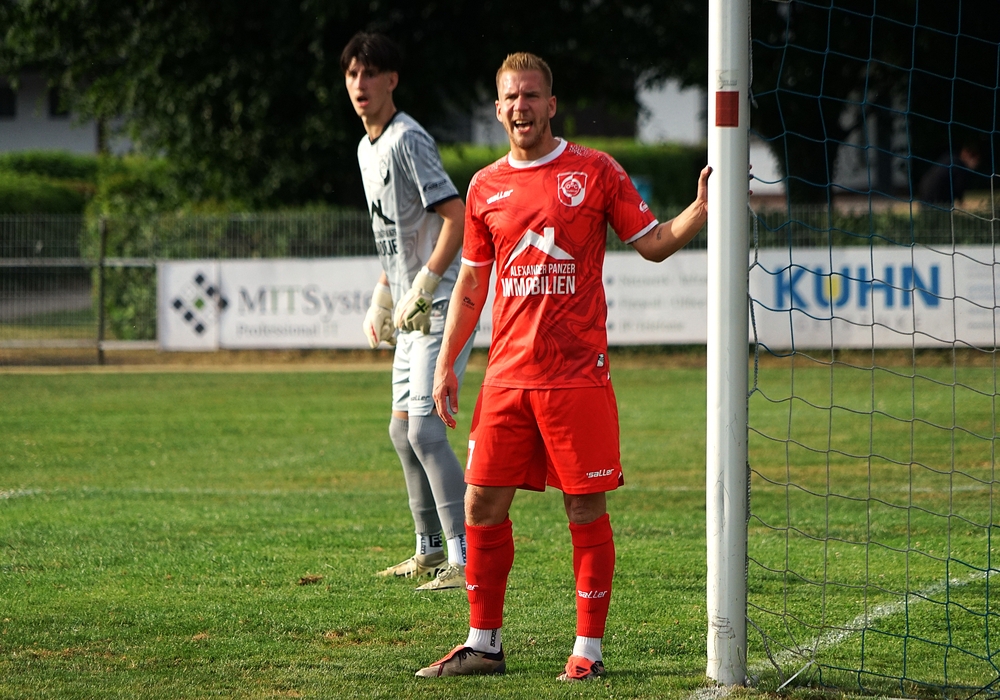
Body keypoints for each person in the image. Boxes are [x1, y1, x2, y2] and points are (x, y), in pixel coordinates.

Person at [415, 52, 711, 681]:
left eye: (531, 96)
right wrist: (446, 364)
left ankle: (588, 652)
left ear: (551, 105)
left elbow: (653, 244)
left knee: (584, 509)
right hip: (506, 377)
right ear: (498, 110)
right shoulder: (484, 186)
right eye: (510, 98)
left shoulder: (595, 170)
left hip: (576, 377)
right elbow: (472, 282)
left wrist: (701, 211)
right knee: (480, 505)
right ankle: (483, 644)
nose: (520, 107)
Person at [342, 32, 474, 591]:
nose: (360, 84)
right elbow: (398, 236)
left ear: (391, 80)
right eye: (352, 74)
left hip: (440, 304)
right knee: (402, 432)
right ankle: (428, 550)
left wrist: (426, 282)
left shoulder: (407, 138)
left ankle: (466, 560)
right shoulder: (365, 148)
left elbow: (456, 215)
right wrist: (384, 294)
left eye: (370, 73)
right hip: (410, 310)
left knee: (424, 429)